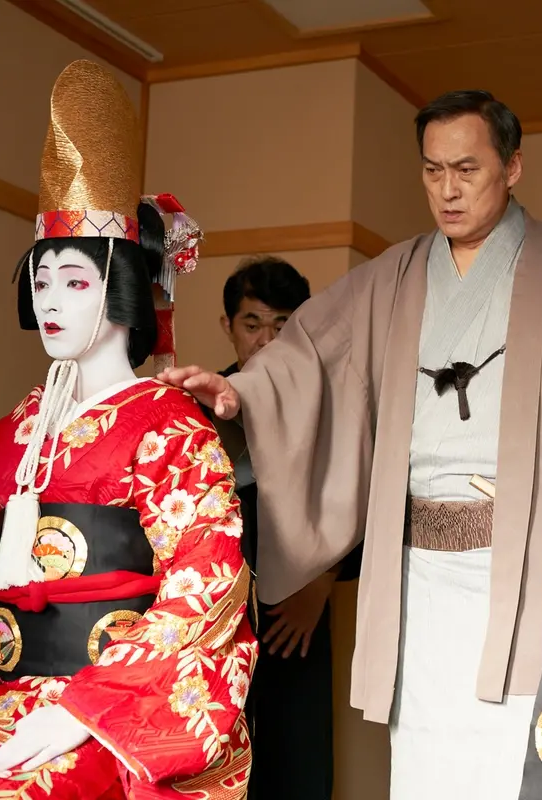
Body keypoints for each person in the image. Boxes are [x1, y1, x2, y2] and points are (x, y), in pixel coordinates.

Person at [160, 89, 542, 797]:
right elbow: (307, 358)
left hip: (526, 566)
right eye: (432, 171)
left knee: (518, 755)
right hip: (417, 573)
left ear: (513, 167)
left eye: (467, 169)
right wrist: (240, 394)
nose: (448, 191)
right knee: (425, 757)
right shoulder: (393, 278)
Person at [0, 60, 255, 799]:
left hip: (104, 707)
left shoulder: (171, 435)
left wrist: (94, 710)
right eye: (42, 278)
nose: (51, 298)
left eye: (75, 280)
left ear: (122, 289)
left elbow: (204, 580)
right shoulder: (5, 439)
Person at [210, 256, 361, 800]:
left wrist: (322, 584)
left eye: (284, 325)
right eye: (253, 324)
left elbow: (361, 500)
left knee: (297, 757)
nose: (268, 341)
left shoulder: (331, 404)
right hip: (214, 615)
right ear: (227, 327)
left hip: (294, 616)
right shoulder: (204, 402)